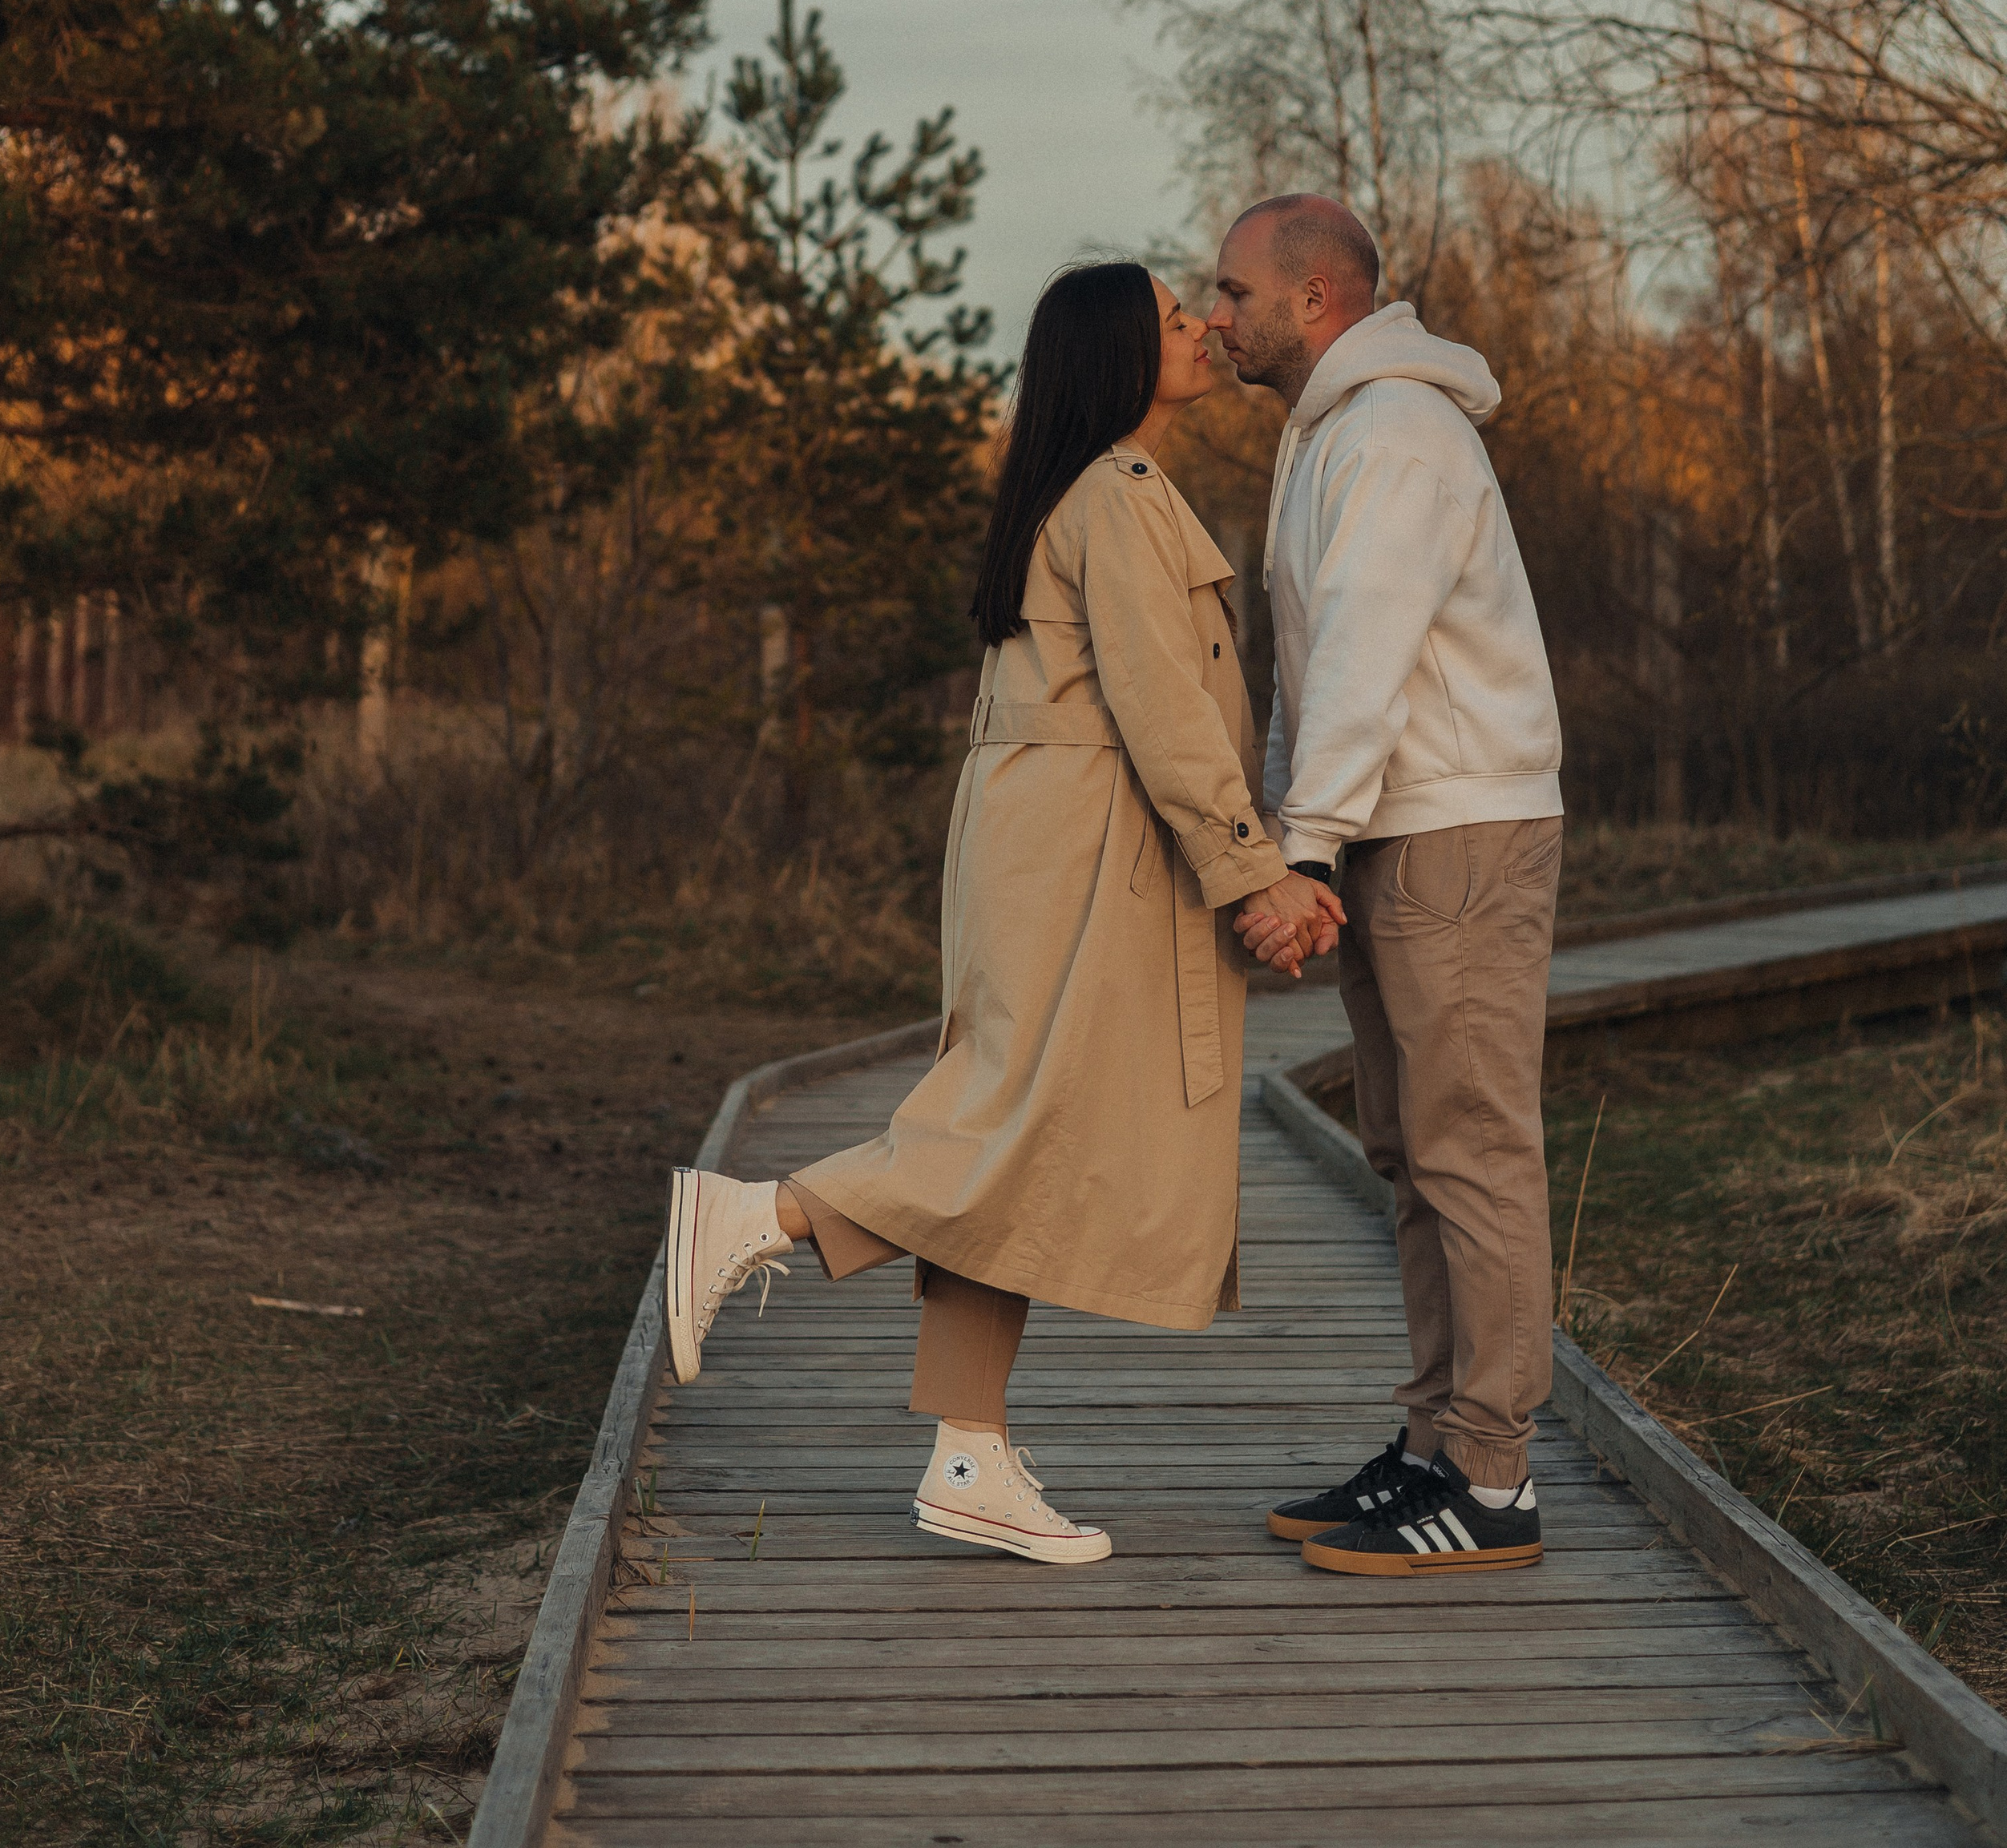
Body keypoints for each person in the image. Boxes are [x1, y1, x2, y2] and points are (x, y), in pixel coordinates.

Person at [664, 260, 1339, 1564]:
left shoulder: (1080, 493)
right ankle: (757, 1216)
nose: (1201, 325)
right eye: (1169, 318)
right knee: (1005, 1128)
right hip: (1083, 857)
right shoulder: (1117, 498)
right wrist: (1254, 872)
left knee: (1011, 1135)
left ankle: (968, 1450)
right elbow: (1167, 716)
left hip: (1045, 846)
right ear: (1109, 356)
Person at [1208, 194, 1565, 1578]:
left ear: (1315, 300)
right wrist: (1298, 833)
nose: (1216, 312)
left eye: (1234, 290)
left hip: (1458, 827)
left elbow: (1364, 653)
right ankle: (1430, 1441)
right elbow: (1311, 672)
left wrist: (1304, 847)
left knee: (1473, 1144)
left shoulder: (1398, 436)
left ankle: (1492, 1475)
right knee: (1411, 1148)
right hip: (1394, 829)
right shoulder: (1332, 435)